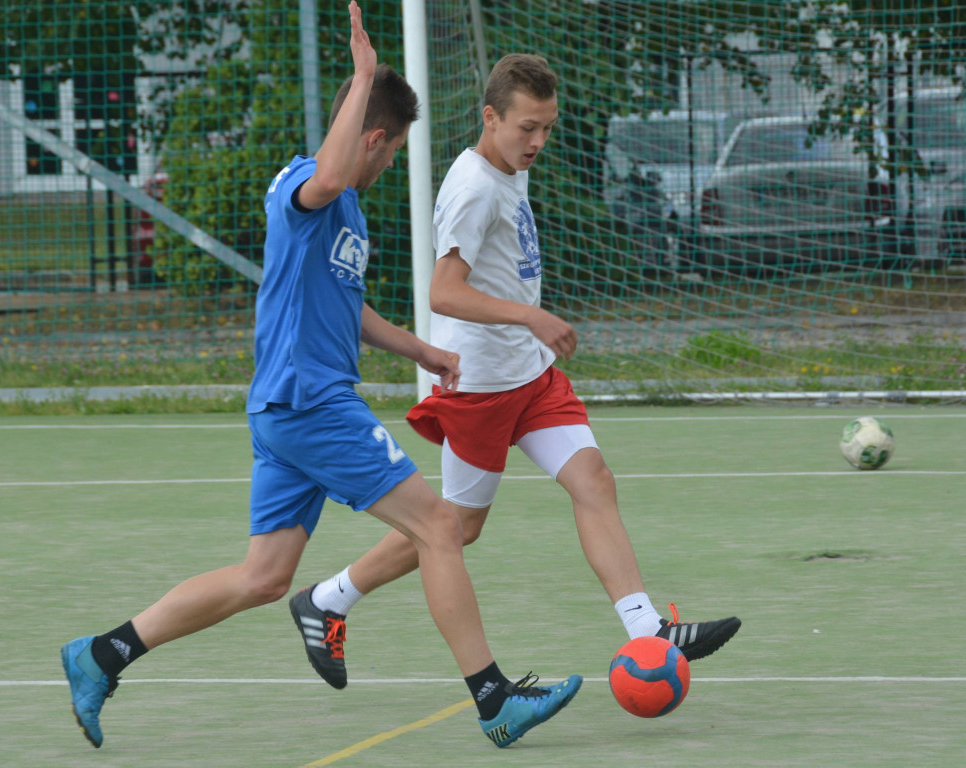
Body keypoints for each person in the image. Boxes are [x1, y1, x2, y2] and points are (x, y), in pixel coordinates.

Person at [60, 6, 581, 751]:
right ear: (374, 136)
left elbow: (350, 305)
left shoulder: (351, 217)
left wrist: (420, 351)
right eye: (394, 149)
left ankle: (102, 652)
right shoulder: (309, 186)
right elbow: (335, 169)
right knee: (440, 526)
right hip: (309, 402)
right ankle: (494, 699)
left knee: (264, 577)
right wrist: (366, 73)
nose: (392, 162)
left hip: (287, 408)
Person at [290, 53, 742, 692]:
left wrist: (527, 331)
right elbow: (444, 293)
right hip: (479, 388)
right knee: (457, 526)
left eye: (548, 128)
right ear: (490, 117)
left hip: (528, 377)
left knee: (594, 480)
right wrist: (528, 317)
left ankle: (647, 632)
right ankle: (329, 598)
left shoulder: (508, 168)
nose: (538, 141)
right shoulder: (473, 188)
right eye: (526, 127)